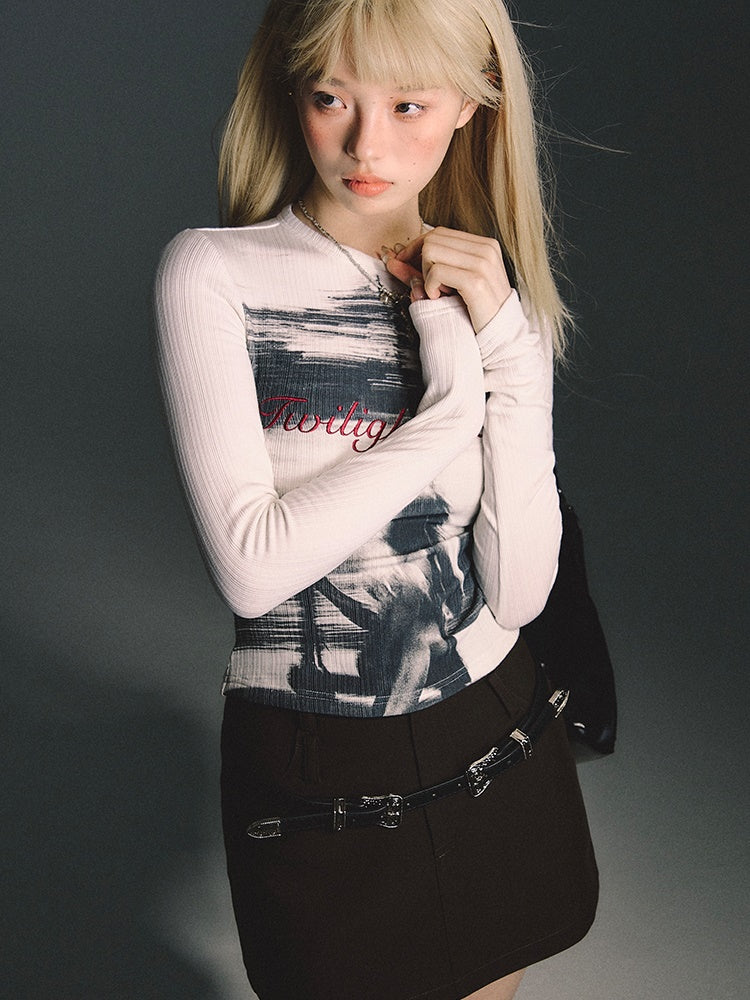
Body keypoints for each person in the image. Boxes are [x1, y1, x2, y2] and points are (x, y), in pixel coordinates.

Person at [154, 1, 599, 997]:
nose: (366, 145)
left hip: (492, 733)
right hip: (320, 765)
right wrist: (449, 413)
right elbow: (253, 566)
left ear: (472, 104)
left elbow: (520, 593)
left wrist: (512, 351)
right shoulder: (216, 274)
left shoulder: (487, 293)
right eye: (332, 98)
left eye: (408, 104)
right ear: (292, 92)